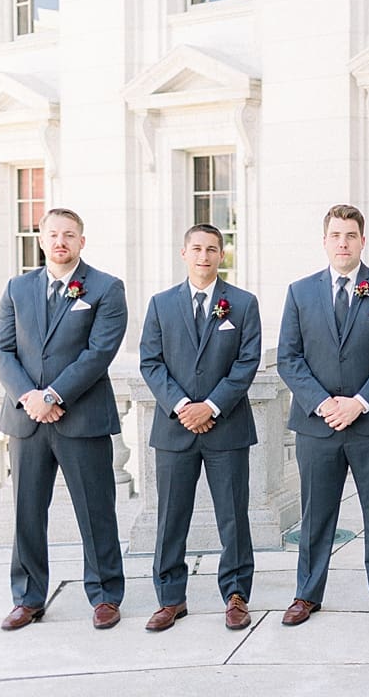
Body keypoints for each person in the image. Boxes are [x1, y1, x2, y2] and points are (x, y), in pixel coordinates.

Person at [0, 208, 128, 631]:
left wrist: (54, 394)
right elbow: (2, 350)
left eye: (69, 235)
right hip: (27, 421)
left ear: (81, 241)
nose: (60, 241)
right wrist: (30, 397)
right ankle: (29, 598)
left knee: (96, 509)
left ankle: (105, 594)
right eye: (53, 234)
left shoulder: (106, 288)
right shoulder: (18, 288)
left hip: (82, 417)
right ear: (41, 238)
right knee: (27, 513)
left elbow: (100, 352)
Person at [277, 204, 369, 626]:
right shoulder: (300, 292)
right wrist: (323, 403)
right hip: (317, 425)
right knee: (316, 513)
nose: (342, 242)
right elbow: (289, 357)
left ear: (362, 240)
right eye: (335, 235)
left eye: (350, 235)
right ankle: (307, 593)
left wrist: (359, 402)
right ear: (324, 241)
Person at [139, 223, 261, 631]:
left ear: (222, 255)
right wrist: (181, 406)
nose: (204, 256)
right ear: (183, 253)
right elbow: (151, 363)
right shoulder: (160, 304)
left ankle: (236, 594)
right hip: (174, 429)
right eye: (197, 249)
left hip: (225, 427)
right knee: (171, 517)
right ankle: (170, 598)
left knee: (233, 516)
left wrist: (210, 406)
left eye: (212, 249)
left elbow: (247, 363)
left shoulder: (242, 304)